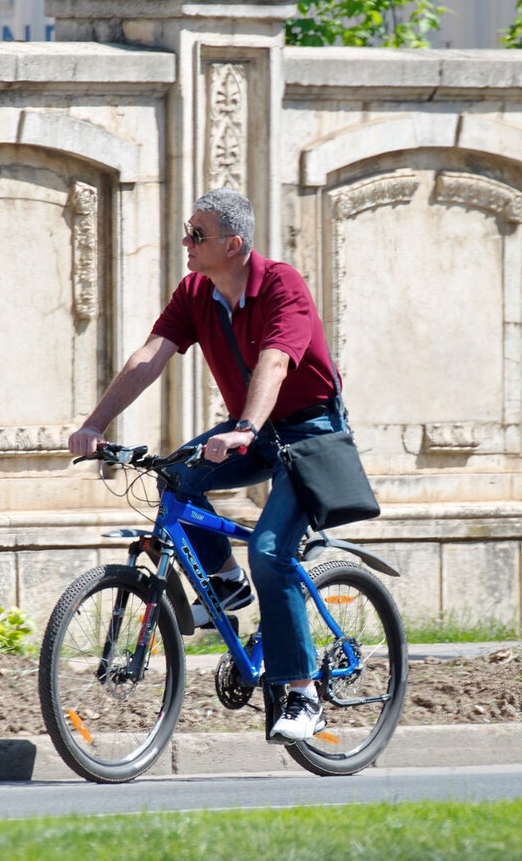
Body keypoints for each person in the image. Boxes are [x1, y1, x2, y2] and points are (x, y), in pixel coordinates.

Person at [68, 187, 348, 743]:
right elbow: (149, 356)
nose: (185, 242)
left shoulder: (281, 286)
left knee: (270, 550)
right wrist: (95, 424)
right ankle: (224, 582)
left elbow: (273, 363)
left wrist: (244, 427)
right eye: (187, 230)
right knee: (175, 476)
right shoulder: (197, 291)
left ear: (234, 244)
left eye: (197, 234)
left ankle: (303, 693)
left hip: (308, 434)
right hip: (252, 428)